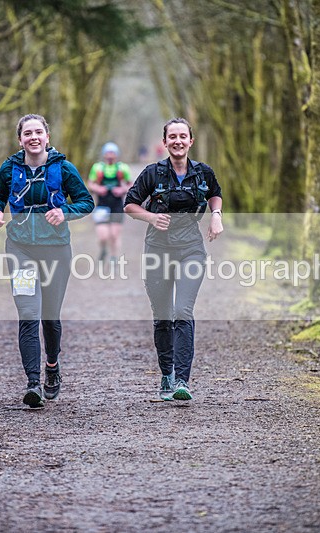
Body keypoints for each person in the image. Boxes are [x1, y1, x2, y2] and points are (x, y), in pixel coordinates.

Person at [0, 114, 94, 407]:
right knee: (28, 313)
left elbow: (86, 201)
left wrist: (65, 213)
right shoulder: (10, 168)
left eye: (38, 132)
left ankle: (52, 366)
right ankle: (33, 383)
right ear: (19, 139)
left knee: (49, 315)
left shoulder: (63, 167)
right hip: (21, 249)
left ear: (47, 136)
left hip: (56, 250)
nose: (33, 137)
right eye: (27, 133)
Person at [124, 118, 223, 401]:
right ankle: (166, 373)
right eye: (173, 137)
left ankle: (182, 380)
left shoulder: (203, 172)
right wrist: (151, 217)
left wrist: (216, 216)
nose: (178, 141)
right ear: (165, 142)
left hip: (191, 248)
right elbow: (129, 205)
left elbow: (215, 194)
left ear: (191, 141)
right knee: (163, 316)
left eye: (183, 136)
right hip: (158, 250)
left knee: (183, 311)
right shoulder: (152, 173)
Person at [87, 142, 132, 263]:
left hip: (117, 206)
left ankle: (114, 257)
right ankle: (103, 250)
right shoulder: (97, 168)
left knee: (114, 235)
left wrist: (122, 189)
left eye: (112, 153)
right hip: (102, 205)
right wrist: (98, 189)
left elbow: (131, 185)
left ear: (116, 155)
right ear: (104, 155)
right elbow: (90, 184)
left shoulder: (123, 168)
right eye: (108, 153)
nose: (110, 155)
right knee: (103, 236)